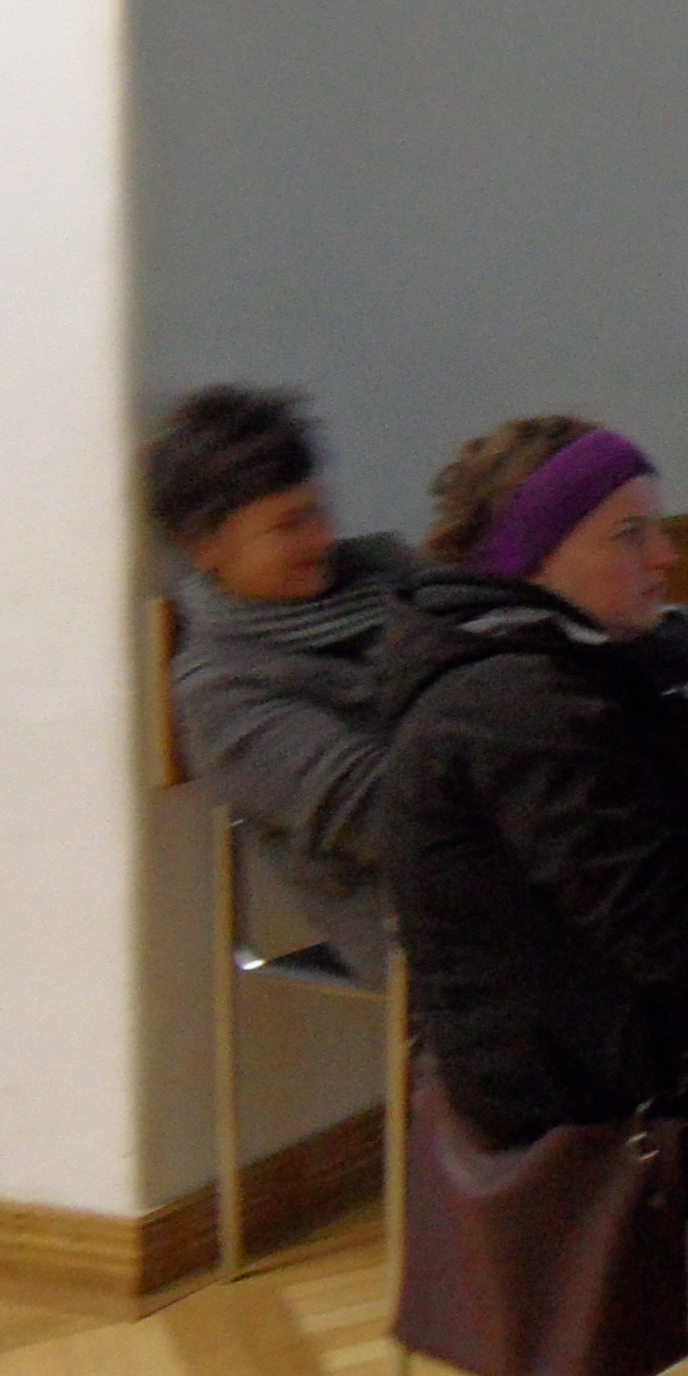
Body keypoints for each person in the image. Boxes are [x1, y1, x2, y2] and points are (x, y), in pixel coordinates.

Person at [374, 416, 688, 1147]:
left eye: (658, 527)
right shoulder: (512, 708)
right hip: (587, 1088)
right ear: (533, 560)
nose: (666, 554)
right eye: (629, 536)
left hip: (625, 1027)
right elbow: (673, 936)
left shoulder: (591, 667)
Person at [151, 385, 411, 984]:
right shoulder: (222, 693)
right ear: (204, 546)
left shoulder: (387, 577)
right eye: (288, 525)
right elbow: (395, 818)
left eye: (318, 511)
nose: (321, 539)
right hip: (441, 934)